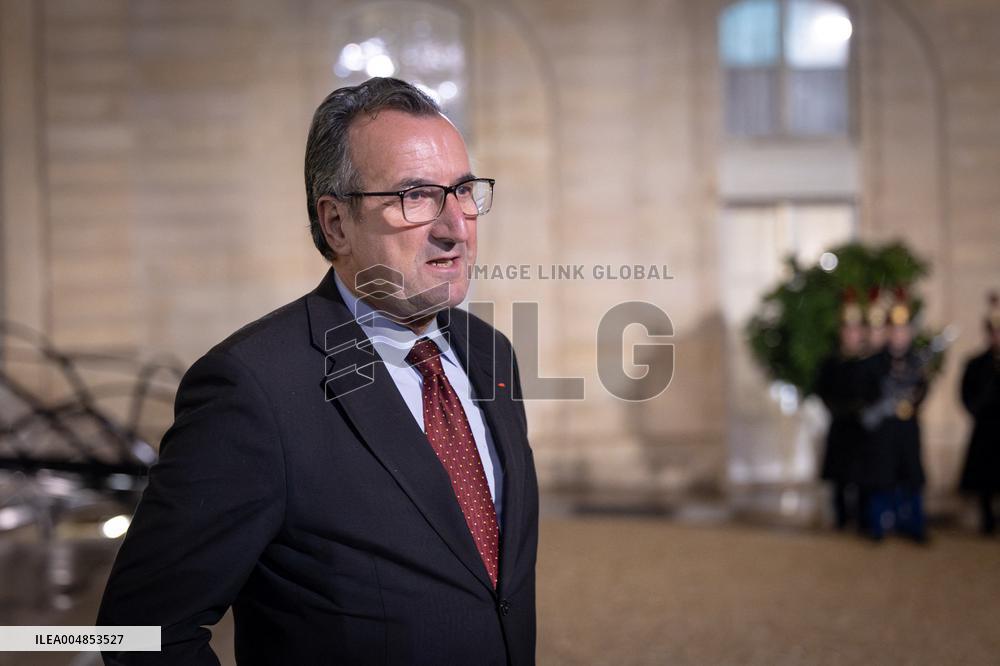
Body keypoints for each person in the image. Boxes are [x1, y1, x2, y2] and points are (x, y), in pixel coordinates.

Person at [97, 77, 539, 665]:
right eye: (415, 196)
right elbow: (140, 630)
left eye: (461, 190)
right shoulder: (253, 390)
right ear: (335, 224)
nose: (454, 225)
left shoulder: (491, 353)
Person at [859, 293, 929, 543]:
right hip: (884, 429)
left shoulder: (916, 361)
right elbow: (867, 397)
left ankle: (913, 525)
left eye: (904, 330)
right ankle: (878, 526)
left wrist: (912, 398)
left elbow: (922, 389)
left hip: (908, 426)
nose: (900, 335)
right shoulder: (875, 363)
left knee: (911, 475)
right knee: (882, 477)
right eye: (895, 330)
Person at [815, 294, 872, 530]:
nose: (851, 334)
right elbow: (822, 390)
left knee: (862, 474)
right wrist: (836, 408)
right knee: (839, 476)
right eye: (847, 329)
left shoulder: (868, 362)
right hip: (840, 422)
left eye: (855, 329)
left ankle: (860, 518)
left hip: (862, 425)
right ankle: (840, 518)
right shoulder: (831, 362)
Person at [959, 293, 1000, 536]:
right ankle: (987, 520)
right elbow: (966, 393)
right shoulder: (977, 363)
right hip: (986, 426)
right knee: (985, 479)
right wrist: (976, 409)